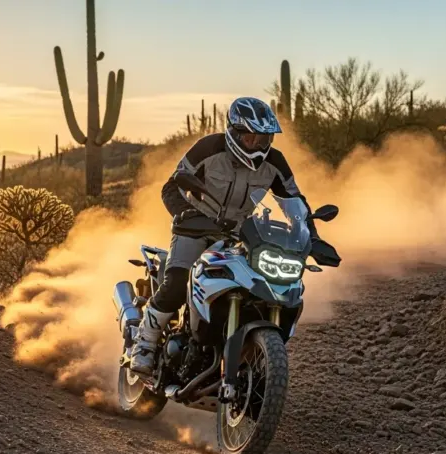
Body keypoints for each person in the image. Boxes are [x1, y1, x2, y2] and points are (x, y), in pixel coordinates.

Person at [129, 96, 317, 378]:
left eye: (263, 140)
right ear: (234, 132)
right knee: (179, 281)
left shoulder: (275, 163)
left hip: (241, 234)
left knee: (259, 288)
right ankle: (145, 342)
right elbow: (172, 186)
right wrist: (184, 213)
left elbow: (294, 201)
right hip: (196, 225)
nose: (257, 145)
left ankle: (240, 356)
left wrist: (310, 235)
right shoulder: (209, 148)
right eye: (250, 138)